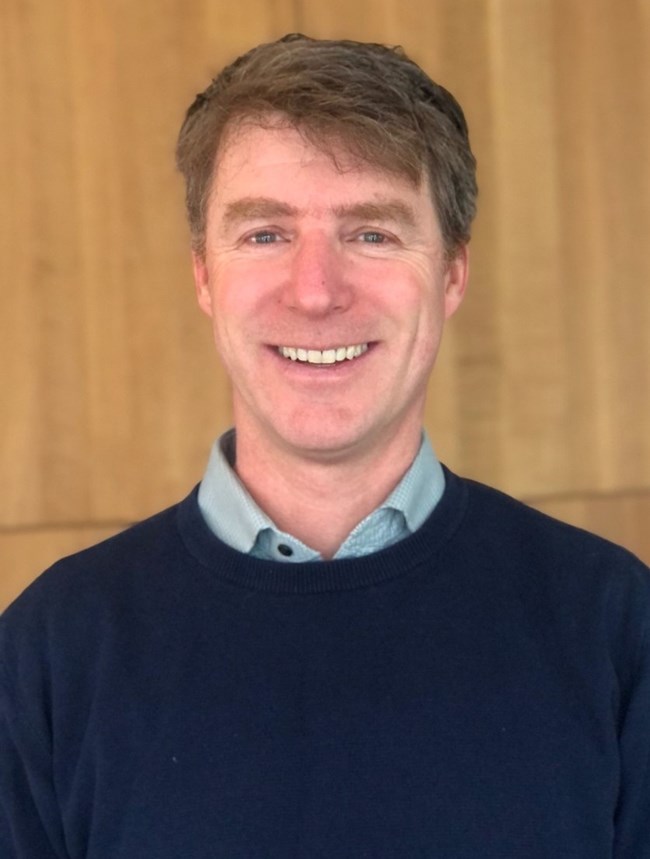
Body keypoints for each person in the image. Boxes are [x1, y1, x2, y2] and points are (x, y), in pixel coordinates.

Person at [1, 34, 649, 859]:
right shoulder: (47, 655)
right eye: (265, 234)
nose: (315, 291)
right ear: (203, 273)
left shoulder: (612, 626)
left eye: (372, 233)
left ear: (452, 272)